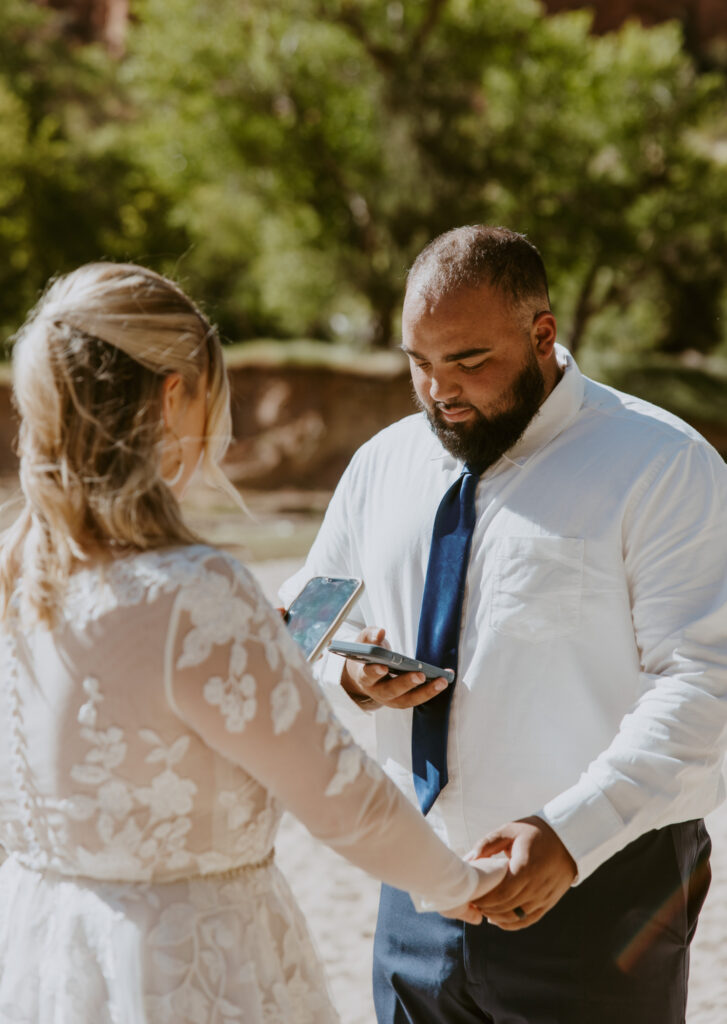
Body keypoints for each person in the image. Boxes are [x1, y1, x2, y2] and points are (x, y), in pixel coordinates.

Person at [0, 262, 506, 1024]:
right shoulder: (193, 590)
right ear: (173, 393)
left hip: (47, 952)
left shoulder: (17, 564)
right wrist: (464, 888)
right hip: (191, 962)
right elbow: (345, 803)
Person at [281, 225, 727, 1023]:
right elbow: (302, 623)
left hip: (601, 889)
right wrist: (349, 676)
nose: (438, 391)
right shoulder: (382, 463)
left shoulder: (662, 465)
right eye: (419, 363)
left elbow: (703, 683)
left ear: (542, 334)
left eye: (468, 361)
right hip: (416, 884)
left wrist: (569, 835)